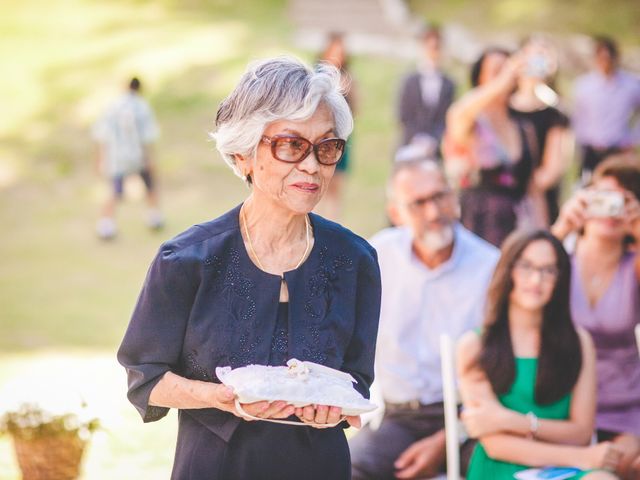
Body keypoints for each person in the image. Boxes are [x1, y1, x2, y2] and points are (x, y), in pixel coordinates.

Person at [117, 56, 382, 480]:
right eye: (292, 145)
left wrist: (332, 409)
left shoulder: (356, 262)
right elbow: (146, 380)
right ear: (243, 154)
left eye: (327, 147)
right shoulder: (186, 260)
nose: (312, 165)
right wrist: (221, 397)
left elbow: (356, 382)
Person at [349, 160, 499, 479]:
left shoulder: (489, 266)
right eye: (418, 203)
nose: (434, 212)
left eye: (440, 196)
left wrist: (446, 441)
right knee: (350, 467)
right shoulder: (376, 256)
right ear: (396, 213)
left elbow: (501, 366)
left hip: (468, 416)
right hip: (398, 415)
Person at [457, 229, 622, 479]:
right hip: (501, 467)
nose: (536, 280)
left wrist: (511, 421)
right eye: (526, 267)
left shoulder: (579, 342)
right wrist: (582, 457)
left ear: (560, 279)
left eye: (548, 270)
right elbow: (495, 443)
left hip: (562, 470)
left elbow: (580, 432)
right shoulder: (475, 345)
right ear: (507, 270)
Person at [551, 155, 640, 479]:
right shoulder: (559, 258)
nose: (610, 211)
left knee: (627, 465)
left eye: (623, 203)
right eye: (602, 198)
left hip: (623, 408)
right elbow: (518, 279)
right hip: (562, 403)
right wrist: (562, 227)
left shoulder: (634, 265)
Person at [444, 48, 538, 247]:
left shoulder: (524, 127)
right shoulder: (471, 122)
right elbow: (457, 113)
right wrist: (503, 80)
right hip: (477, 221)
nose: (506, 76)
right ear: (480, 78)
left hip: (517, 224)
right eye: (497, 71)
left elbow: (532, 189)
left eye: (509, 69)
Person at [510, 36, 572, 225]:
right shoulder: (500, 106)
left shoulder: (556, 112)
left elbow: (554, 166)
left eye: (544, 56)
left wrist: (527, 191)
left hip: (537, 204)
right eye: (533, 55)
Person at [92, 77, 163, 240]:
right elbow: (147, 136)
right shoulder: (142, 106)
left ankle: (106, 225)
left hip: (116, 156)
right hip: (137, 155)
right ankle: (154, 217)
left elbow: (102, 134)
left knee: (114, 190)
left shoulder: (112, 106)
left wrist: (101, 158)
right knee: (150, 185)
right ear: (140, 89)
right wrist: (150, 158)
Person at [573, 36, 640, 180]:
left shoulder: (631, 85)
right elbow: (579, 118)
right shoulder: (584, 86)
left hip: (619, 148)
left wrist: (634, 138)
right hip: (591, 149)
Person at [314, 32, 357, 221]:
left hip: (341, 137)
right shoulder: (315, 75)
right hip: (319, 137)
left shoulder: (348, 78)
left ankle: (332, 223)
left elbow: (355, 108)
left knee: (336, 185)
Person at [397, 26, 455, 157]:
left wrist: (434, 140)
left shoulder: (449, 84)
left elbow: (448, 117)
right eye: (430, 47)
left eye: (436, 48)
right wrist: (416, 139)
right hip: (409, 144)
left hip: (437, 148)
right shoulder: (409, 81)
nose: (433, 52)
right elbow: (403, 114)